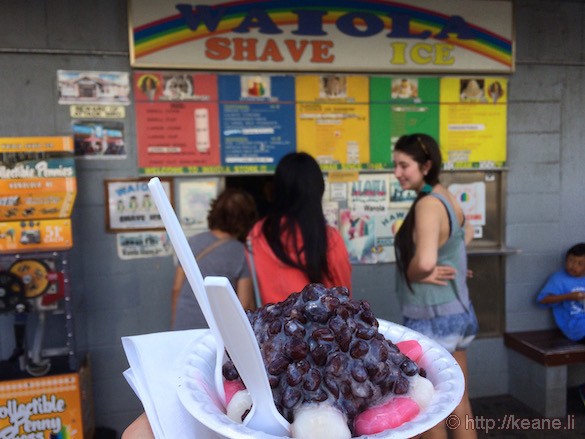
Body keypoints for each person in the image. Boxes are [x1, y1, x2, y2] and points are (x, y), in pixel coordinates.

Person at [392, 133, 478, 439]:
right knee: (459, 403)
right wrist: (455, 266)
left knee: (431, 413)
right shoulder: (446, 195)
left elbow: (425, 262)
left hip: (432, 320)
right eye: (396, 165)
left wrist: (414, 273)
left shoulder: (428, 204)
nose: (397, 172)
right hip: (459, 314)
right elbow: (465, 236)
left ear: (426, 165)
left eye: (404, 165)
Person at [247, 152, 352, 305]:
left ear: (277, 191)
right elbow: (344, 297)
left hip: (270, 327)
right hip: (319, 328)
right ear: (318, 190)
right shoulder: (329, 238)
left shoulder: (257, 235)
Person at [171, 187, 257, 329]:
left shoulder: (190, 243)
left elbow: (176, 288)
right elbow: (245, 304)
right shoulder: (241, 252)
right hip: (215, 331)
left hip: (184, 324)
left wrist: (176, 323)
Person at [537, 243, 585, 341]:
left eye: (580, 263)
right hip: (575, 326)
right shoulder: (559, 279)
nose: (573, 266)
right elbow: (542, 300)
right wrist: (568, 296)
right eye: (570, 261)